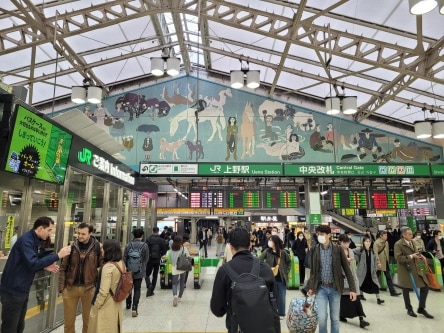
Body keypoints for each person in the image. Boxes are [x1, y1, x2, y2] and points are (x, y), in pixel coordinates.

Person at [0, 216, 72, 333]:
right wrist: (58, 255)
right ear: (40, 228)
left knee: (19, 325)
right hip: (13, 291)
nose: (49, 234)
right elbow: (32, 263)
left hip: (21, 289)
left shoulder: (33, 240)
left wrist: (44, 266)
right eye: (48, 230)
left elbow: (29, 262)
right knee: (10, 327)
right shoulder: (26, 241)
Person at [210, 228, 280, 333]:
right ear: (250, 246)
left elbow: (217, 310)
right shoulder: (265, 268)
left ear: (231, 247)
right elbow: (274, 301)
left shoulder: (224, 271)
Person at [306, 225, 357, 333]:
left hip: (335, 288)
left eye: (322, 234)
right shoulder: (315, 249)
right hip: (321, 288)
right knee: (322, 317)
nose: (319, 236)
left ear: (329, 235)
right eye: (318, 234)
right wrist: (311, 287)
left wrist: (353, 289)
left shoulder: (337, 249)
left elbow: (347, 270)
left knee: (335, 318)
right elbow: (313, 271)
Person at [59, 223, 103, 333]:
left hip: (89, 288)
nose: (80, 236)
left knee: (88, 321)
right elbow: (63, 268)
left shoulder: (98, 247)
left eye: (83, 234)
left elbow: (103, 267)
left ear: (90, 234)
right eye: (78, 233)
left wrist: (98, 287)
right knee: (68, 322)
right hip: (70, 288)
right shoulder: (72, 246)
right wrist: (62, 288)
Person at [394, 227, 433, 319]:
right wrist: (411, 256)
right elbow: (398, 258)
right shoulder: (398, 244)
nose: (412, 235)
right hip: (405, 270)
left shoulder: (413, 242)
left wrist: (421, 256)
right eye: (409, 234)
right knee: (406, 289)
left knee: (425, 286)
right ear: (404, 235)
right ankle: (409, 309)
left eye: (412, 233)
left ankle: (421, 308)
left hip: (416, 269)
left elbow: (417, 252)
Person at [88, 239, 124, 333]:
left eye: (103, 249)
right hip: (116, 301)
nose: (101, 251)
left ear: (109, 250)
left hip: (106, 304)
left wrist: (96, 305)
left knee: (102, 328)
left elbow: (103, 291)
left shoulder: (108, 267)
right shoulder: (121, 263)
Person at [338, 234, 369, 328]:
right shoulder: (336, 251)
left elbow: (360, 252)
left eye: (348, 242)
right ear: (340, 242)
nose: (346, 244)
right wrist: (344, 261)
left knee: (357, 299)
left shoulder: (351, 251)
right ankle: (342, 315)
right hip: (342, 279)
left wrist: (366, 245)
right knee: (344, 300)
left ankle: (361, 319)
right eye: (344, 242)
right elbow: (335, 264)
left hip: (352, 278)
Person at [259, 235, 291, 319]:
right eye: (269, 240)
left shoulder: (283, 252)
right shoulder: (267, 251)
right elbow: (260, 260)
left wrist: (286, 272)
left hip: (281, 277)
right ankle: (271, 312)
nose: (269, 241)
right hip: (270, 277)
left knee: (281, 296)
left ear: (275, 242)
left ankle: (281, 313)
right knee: (270, 295)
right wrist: (265, 268)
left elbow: (289, 262)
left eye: (271, 240)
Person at [123, 228, 149, 317]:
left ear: (133, 235)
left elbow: (125, 257)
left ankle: (128, 303)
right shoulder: (145, 245)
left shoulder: (128, 245)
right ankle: (134, 307)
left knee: (129, 287)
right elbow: (146, 259)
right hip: (140, 270)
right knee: (137, 288)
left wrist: (127, 267)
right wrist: (141, 265)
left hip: (129, 270)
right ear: (142, 235)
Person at [354, 235, 384, 304]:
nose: (368, 243)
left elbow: (375, 259)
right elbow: (351, 252)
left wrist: (377, 265)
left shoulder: (372, 251)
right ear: (363, 242)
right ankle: (361, 295)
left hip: (371, 271)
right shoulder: (360, 250)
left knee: (375, 284)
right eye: (366, 241)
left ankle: (378, 299)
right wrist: (357, 258)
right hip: (362, 271)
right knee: (361, 284)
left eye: (369, 241)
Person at [373, 230, 401, 296]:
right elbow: (375, 253)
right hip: (379, 263)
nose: (386, 236)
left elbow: (387, 252)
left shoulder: (386, 243)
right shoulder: (376, 243)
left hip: (385, 262)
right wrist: (378, 262)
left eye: (386, 235)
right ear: (380, 236)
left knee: (388, 277)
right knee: (376, 276)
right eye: (385, 235)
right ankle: (373, 288)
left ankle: (392, 291)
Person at [168, 236, 190, 307]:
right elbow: (188, 256)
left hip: (174, 267)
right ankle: (180, 297)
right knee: (182, 283)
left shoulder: (171, 248)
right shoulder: (183, 248)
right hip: (182, 267)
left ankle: (175, 296)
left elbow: (170, 258)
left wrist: (173, 263)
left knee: (174, 283)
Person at [145, 226, 167, 297]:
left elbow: (146, 249)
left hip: (150, 259)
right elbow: (164, 250)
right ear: (158, 232)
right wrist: (161, 255)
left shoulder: (148, 239)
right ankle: (152, 291)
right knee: (155, 275)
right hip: (157, 259)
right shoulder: (161, 240)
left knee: (147, 274)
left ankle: (149, 285)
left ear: (152, 231)